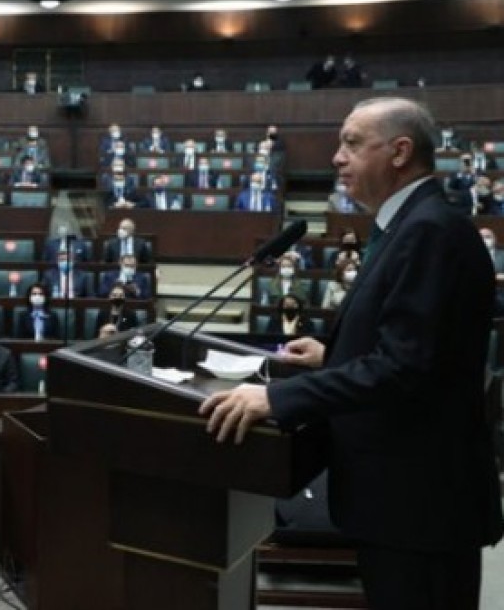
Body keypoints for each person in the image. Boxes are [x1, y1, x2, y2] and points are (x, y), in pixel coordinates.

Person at [200, 97, 504, 609]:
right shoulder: (411, 224)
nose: (337, 157)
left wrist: (278, 397)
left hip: (419, 503)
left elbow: (406, 368)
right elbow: (418, 348)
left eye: (352, 143)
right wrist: (333, 354)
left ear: (400, 151)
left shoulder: (429, 230)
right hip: (402, 497)